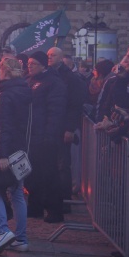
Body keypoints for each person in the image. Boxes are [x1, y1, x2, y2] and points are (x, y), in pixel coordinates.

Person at [0, 57, 32, 255]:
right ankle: (21, 238)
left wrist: (3, 154)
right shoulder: (25, 90)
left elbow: (5, 125)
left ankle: (3, 230)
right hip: (21, 148)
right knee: (17, 192)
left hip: (4, 148)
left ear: (4, 72)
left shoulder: (5, 94)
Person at [24, 51, 67, 223]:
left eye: (33, 63)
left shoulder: (54, 83)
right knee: (32, 174)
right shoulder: (29, 81)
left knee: (49, 174)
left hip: (46, 136)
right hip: (31, 135)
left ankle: (55, 210)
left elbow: (55, 111)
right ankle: (35, 207)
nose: (30, 66)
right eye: (28, 63)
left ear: (43, 65)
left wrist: (50, 135)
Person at [47, 47, 87, 209]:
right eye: (48, 55)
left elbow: (75, 104)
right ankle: (52, 199)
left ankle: (64, 201)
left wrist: (70, 128)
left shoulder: (70, 78)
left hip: (64, 126)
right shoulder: (48, 74)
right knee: (51, 163)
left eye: (53, 55)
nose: (50, 58)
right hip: (50, 126)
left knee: (63, 165)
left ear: (61, 57)